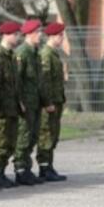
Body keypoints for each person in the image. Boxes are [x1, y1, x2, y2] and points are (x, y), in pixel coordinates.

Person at [0, 21, 22, 188]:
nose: (18, 37)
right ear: (8, 35)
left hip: (11, 107)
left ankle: (0, 171)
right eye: (16, 34)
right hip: (1, 109)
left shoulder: (10, 56)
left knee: (9, 142)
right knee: (0, 142)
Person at [13, 19, 44, 185]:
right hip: (26, 103)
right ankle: (20, 169)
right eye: (38, 32)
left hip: (35, 102)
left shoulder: (35, 53)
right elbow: (17, 80)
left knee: (32, 136)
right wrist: (20, 101)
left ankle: (27, 167)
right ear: (30, 34)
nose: (41, 35)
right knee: (23, 137)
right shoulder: (22, 53)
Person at [37, 23, 68, 182]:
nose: (62, 38)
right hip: (49, 103)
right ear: (53, 36)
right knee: (46, 134)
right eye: (61, 35)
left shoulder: (54, 54)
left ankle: (48, 165)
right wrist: (47, 102)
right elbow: (44, 82)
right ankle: (44, 167)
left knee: (53, 135)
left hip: (56, 101)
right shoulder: (46, 55)